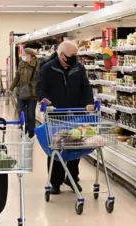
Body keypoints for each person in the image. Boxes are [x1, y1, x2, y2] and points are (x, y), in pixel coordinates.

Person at [37, 41, 94, 195]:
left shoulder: (79, 68)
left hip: (76, 113)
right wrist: (43, 99)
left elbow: (86, 87)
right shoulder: (48, 68)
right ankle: (55, 182)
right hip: (56, 113)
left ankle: (72, 177)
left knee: (76, 146)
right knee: (56, 147)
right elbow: (40, 87)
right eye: (73, 55)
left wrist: (89, 102)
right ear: (62, 55)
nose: (75, 58)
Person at [9, 48, 39, 138]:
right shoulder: (21, 63)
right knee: (21, 113)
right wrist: (11, 88)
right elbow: (17, 77)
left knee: (30, 114)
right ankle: (23, 131)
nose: (23, 56)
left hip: (32, 94)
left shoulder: (37, 65)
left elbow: (41, 80)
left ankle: (31, 133)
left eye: (24, 54)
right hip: (21, 93)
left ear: (30, 55)